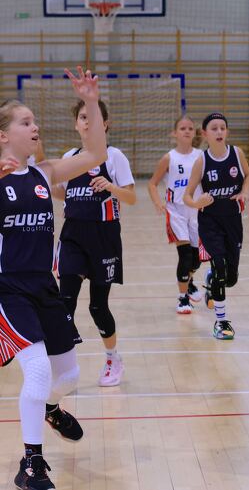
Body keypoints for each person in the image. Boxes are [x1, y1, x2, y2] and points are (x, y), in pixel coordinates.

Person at [0, 67, 106, 490]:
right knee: (39, 371)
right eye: (25, 122)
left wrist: (91, 102)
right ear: (4, 135)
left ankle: (48, 409)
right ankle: (31, 465)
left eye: (35, 122)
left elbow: (94, 152)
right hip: (8, 288)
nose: (35, 127)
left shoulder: (43, 174)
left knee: (69, 378)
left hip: (44, 285)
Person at [52, 98, 136, 387]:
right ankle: (63, 369)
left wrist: (110, 187)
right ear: (76, 124)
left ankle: (113, 358)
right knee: (65, 301)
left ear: (106, 124)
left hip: (104, 237)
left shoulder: (114, 157)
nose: (88, 122)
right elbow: (62, 192)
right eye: (83, 117)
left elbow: (131, 197)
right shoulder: (70, 156)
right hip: (73, 235)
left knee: (98, 307)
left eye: (95, 117)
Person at [183, 112, 249, 340]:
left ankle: (211, 279)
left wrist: (244, 191)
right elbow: (187, 196)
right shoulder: (202, 161)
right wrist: (197, 203)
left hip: (233, 221)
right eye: (214, 128)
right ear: (205, 134)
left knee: (230, 278)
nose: (219, 131)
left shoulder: (237, 154)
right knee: (220, 264)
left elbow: (248, 175)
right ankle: (221, 322)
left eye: (223, 127)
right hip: (210, 222)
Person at [148, 116, 204, 314]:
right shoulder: (169, 158)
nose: (187, 131)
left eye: (190, 128)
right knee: (185, 255)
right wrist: (158, 202)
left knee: (197, 259)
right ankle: (182, 299)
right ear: (174, 133)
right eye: (182, 128)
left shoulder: (201, 156)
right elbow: (152, 183)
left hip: (196, 211)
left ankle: (189, 283)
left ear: (195, 133)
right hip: (176, 211)